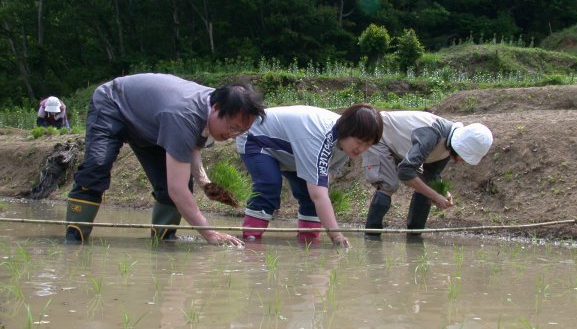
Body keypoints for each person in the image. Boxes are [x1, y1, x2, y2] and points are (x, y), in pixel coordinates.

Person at [64, 73, 265, 246]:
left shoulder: (214, 106)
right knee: (96, 166)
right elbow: (177, 190)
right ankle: (75, 238)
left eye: (241, 131)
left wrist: (205, 183)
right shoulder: (184, 114)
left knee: (176, 183)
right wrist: (210, 234)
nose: (233, 134)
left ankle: (164, 241)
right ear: (216, 108)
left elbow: (192, 147)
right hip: (113, 104)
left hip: (151, 124)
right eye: (232, 127)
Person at [237, 104, 383, 247]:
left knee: (310, 195)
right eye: (359, 142)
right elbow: (319, 195)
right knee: (270, 185)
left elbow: (326, 177)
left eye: (368, 144)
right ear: (346, 130)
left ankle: (309, 243)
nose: (362, 149)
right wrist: (336, 236)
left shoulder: (345, 145)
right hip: (256, 138)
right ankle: (251, 242)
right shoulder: (320, 138)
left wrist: (319, 191)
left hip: (291, 149)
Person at [362, 111, 493, 239]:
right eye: (464, 155)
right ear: (459, 146)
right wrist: (435, 195)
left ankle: (414, 237)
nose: (462, 160)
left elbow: (431, 174)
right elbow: (405, 172)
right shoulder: (433, 135)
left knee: (427, 187)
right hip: (378, 135)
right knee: (389, 185)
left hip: (402, 148)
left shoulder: (449, 145)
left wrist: (442, 192)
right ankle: (371, 237)